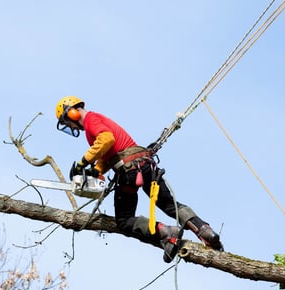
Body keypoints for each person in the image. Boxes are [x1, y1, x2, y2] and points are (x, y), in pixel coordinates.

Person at [55, 96, 223, 263]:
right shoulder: (96, 120)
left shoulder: (91, 120)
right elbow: (107, 153)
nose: (70, 126)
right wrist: (96, 170)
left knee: (124, 220)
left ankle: (165, 232)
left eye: (66, 122)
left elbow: (106, 139)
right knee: (167, 203)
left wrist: (82, 163)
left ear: (71, 113)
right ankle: (204, 230)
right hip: (144, 165)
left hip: (129, 171)